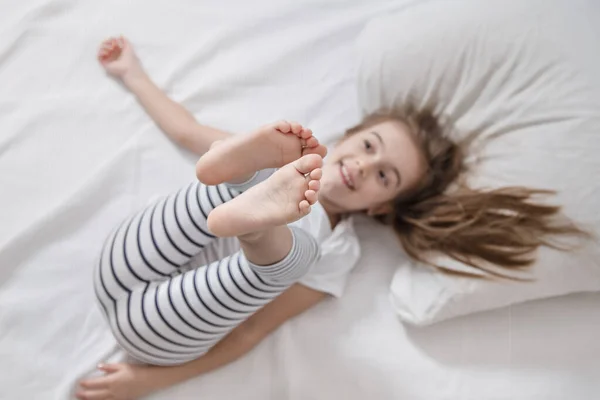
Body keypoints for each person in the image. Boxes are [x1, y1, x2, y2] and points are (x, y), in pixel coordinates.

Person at [76, 36, 584, 400]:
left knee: (298, 254)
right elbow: (187, 131)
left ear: (380, 207)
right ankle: (237, 197)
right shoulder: (272, 160)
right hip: (131, 260)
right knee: (228, 179)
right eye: (368, 146)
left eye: (384, 177)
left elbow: (251, 332)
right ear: (348, 136)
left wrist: (151, 380)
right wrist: (132, 74)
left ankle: (258, 231)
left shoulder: (341, 254)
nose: (363, 167)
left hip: (160, 329)